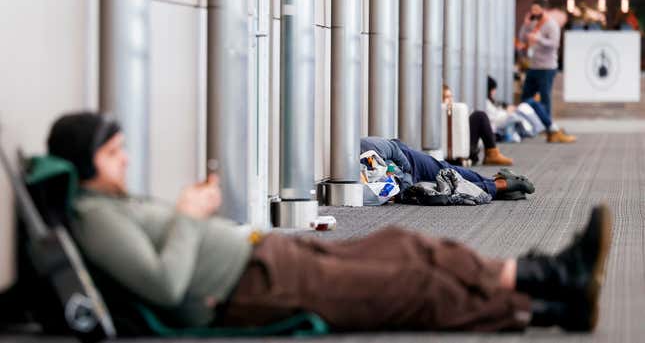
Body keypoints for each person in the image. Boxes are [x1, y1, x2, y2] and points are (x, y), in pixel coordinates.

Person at [47, 112, 611, 333]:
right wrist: (191, 217)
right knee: (406, 285)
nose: (124, 158)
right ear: (86, 161)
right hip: (254, 286)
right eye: (113, 152)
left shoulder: (114, 203)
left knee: (406, 246)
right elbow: (166, 285)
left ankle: (544, 276)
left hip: (266, 255)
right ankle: (547, 296)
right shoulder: (96, 221)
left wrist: (189, 216)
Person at [361, 136, 532, 201]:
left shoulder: (367, 145)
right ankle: (499, 186)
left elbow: (399, 158)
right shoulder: (351, 172)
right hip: (404, 187)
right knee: (446, 189)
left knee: (449, 172)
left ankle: (496, 183)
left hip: (411, 162)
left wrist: (404, 183)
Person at [518, 0, 576, 144]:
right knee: (526, 96)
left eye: (537, 10)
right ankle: (527, 124)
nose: (534, 13)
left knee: (545, 98)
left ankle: (549, 129)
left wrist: (538, 39)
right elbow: (522, 38)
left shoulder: (551, 24)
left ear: (544, 10)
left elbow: (554, 44)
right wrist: (525, 26)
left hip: (547, 67)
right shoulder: (532, 24)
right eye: (532, 10)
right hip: (532, 66)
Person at [442, 84, 513, 166]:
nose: (451, 100)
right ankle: (491, 154)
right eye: (447, 97)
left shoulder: (453, 111)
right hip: (454, 152)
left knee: (479, 116)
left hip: (459, 149)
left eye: (451, 96)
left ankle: (492, 153)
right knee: (479, 116)